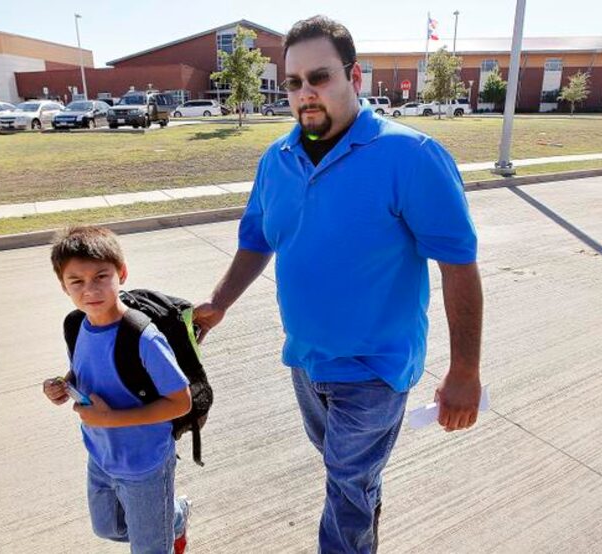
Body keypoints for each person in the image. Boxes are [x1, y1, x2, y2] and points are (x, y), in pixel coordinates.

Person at [193, 15, 483, 554]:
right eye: (293, 83)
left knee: (345, 486)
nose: (305, 94)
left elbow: (459, 266)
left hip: (375, 369)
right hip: (305, 361)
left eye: (319, 78)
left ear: (354, 76)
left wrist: (465, 371)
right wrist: (219, 301)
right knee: (351, 480)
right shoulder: (276, 160)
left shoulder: (411, 157)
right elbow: (258, 240)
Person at [43, 225, 193, 554]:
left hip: (146, 463)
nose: (90, 290)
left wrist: (111, 419)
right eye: (76, 281)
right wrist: (64, 385)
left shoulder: (143, 336)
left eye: (101, 276)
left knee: (150, 548)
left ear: (121, 273)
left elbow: (181, 402)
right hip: (100, 455)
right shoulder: (75, 325)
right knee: (107, 527)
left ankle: (165, 524)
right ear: (63, 285)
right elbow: (86, 370)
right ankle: (174, 518)